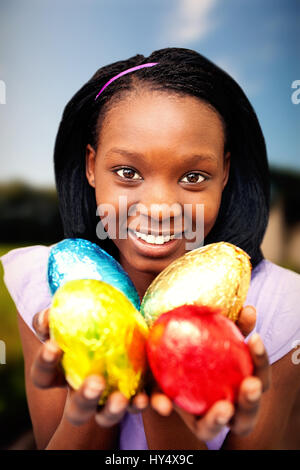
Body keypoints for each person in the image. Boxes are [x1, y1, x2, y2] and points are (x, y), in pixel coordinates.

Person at [1, 47, 300, 450]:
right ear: (91, 166)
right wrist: (91, 398)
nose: (159, 208)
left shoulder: (284, 310)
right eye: (127, 172)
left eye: (194, 176)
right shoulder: (51, 290)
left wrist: (169, 401)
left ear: (224, 173)